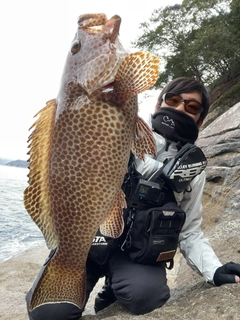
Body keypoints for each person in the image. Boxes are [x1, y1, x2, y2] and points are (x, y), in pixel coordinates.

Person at [26, 77, 240, 320]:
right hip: (86, 244)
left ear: (200, 120)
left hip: (136, 254)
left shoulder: (194, 172)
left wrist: (213, 269)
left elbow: (189, 230)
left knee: (146, 296)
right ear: (159, 104)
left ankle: (113, 289)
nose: (180, 108)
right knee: (48, 314)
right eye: (173, 100)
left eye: (191, 107)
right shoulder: (118, 129)